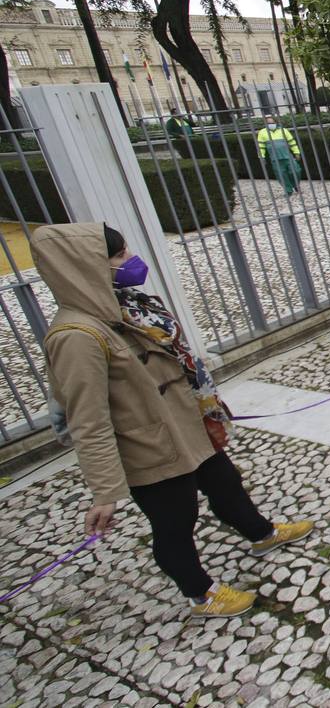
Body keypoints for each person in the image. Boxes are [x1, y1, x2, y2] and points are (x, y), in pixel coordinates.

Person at [33, 223, 314, 618]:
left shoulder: (123, 307)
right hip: (151, 446)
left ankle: (262, 533)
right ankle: (200, 593)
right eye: (117, 256)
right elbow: (88, 419)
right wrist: (104, 491)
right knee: (176, 522)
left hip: (186, 426)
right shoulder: (76, 335)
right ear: (86, 268)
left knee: (226, 484)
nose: (129, 259)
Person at [256, 114, 303, 197]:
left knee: (296, 171)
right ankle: (288, 190)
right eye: (268, 123)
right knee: (281, 175)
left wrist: (297, 152)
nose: (271, 125)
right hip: (275, 159)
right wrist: (261, 157)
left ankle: (296, 185)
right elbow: (261, 147)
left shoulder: (284, 130)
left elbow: (292, 142)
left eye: (272, 122)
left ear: (276, 122)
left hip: (288, 156)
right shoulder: (262, 133)